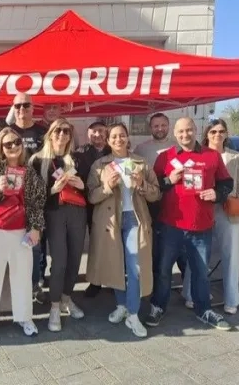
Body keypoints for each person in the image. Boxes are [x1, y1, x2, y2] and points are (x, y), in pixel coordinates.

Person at [146, 117, 233, 330]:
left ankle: (204, 309)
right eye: (181, 131)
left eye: (189, 130)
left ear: (196, 130)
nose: (185, 135)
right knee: (164, 270)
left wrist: (218, 193)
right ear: (175, 134)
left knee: (201, 272)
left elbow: (226, 182)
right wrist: (168, 181)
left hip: (201, 227)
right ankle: (158, 306)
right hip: (170, 225)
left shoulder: (212, 156)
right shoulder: (165, 157)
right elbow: (153, 187)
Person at [0, 127, 46, 337]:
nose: (13, 146)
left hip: (20, 231)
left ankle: (24, 317)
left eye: (17, 142)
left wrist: (36, 228)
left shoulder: (29, 171)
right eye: (8, 144)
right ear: (0, 147)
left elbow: (37, 202)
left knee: (22, 275)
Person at [87, 123, 160, 337]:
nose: (118, 140)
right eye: (114, 137)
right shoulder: (99, 165)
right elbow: (91, 196)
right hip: (110, 221)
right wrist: (107, 186)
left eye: (122, 136)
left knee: (135, 266)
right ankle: (121, 305)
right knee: (116, 263)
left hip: (134, 218)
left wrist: (142, 184)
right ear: (108, 141)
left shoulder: (141, 162)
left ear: (128, 138)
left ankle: (134, 314)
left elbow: (156, 194)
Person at [182, 119, 239, 314]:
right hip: (202, 208)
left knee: (231, 255)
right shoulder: (197, 155)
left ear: (226, 134)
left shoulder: (236, 157)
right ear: (207, 134)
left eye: (221, 131)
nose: (217, 135)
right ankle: (191, 293)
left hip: (227, 209)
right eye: (213, 131)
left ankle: (232, 298)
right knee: (198, 254)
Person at [30, 118, 87, 332]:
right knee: (60, 262)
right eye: (58, 130)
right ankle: (54, 306)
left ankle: (66, 298)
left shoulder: (77, 159)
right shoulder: (38, 160)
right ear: (50, 133)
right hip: (53, 213)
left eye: (66, 131)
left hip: (77, 213)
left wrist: (82, 186)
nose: (62, 134)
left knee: (74, 260)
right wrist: (52, 190)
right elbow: (31, 195)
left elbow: (90, 187)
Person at [133, 113, 186, 292]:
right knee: (154, 247)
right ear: (150, 128)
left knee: (180, 250)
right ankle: (154, 284)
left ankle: (188, 287)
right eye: (156, 126)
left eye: (163, 125)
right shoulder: (141, 149)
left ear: (168, 126)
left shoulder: (178, 147)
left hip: (176, 203)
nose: (160, 129)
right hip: (151, 204)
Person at [8, 93, 48, 302]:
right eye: (18, 106)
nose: (22, 109)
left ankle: (35, 284)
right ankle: (17, 286)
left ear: (33, 108)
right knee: (15, 243)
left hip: (37, 196)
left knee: (36, 244)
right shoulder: (7, 132)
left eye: (26, 105)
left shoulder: (43, 131)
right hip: (12, 198)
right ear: (13, 108)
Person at [75, 119, 112, 298]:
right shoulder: (80, 153)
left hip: (108, 204)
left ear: (106, 133)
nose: (97, 135)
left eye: (100, 131)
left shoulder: (113, 151)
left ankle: (112, 278)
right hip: (86, 204)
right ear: (88, 134)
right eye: (93, 131)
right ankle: (95, 281)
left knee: (110, 243)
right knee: (93, 244)